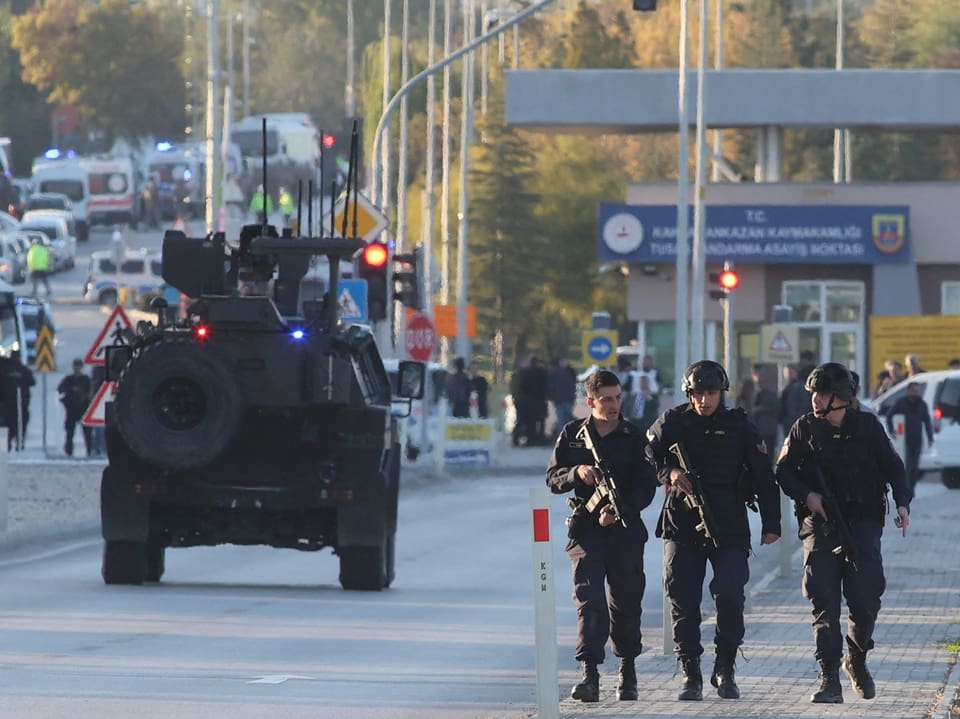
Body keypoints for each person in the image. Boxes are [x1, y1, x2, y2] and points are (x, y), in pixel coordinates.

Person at [644, 359, 781, 701]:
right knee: (683, 598)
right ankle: (691, 672)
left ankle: (726, 668)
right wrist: (671, 473)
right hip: (682, 524)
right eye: (698, 393)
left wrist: (772, 523)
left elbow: (763, 474)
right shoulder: (673, 422)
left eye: (711, 393)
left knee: (731, 595)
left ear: (723, 393)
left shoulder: (740, 425)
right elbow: (647, 453)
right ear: (689, 394)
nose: (705, 400)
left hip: (729, 524)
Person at [775, 362, 911, 704]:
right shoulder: (804, 429)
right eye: (814, 394)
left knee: (866, 599)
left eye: (822, 395)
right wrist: (808, 496)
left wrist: (903, 502)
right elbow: (784, 472)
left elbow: (894, 466)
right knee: (823, 600)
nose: (815, 401)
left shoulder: (868, 427)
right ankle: (829, 677)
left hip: (863, 523)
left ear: (841, 397)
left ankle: (857, 658)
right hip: (820, 526)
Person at [546, 369, 659, 703]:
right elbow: (552, 478)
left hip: (623, 530)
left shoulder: (634, 436)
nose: (614, 405)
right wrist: (576, 473)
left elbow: (647, 486)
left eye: (618, 398)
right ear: (590, 401)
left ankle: (627, 670)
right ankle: (590, 674)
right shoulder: (572, 434)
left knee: (625, 602)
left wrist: (622, 509)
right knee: (589, 600)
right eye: (606, 400)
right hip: (586, 531)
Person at [885, 381, 933, 495]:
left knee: (914, 467)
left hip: (917, 438)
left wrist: (930, 437)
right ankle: (906, 489)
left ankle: (911, 489)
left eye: (917, 391)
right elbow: (889, 416)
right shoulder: (901, 403)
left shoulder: (922, 404)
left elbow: (927, 421)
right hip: (904, 439)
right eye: (913, 390)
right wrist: (891, 430)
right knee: (907, 465)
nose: (916, 393)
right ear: (909, 391)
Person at [58, 358, 93, 457]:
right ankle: (69, 452)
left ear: (81, 367)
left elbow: (90, 392)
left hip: (83, 409)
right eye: (75, 366)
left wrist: (82, 394)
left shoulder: (86, 379)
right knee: (69, 433)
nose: (77, 368)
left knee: (87, 433)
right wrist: (70, 390)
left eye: (79, 366)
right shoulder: (69, 380)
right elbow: (60, 389)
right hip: (71, 410)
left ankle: (90, 451)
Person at [0, 354, 35, 451]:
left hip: (17, 405)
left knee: (12, 426)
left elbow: (32, 382)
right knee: (8, 427)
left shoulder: (9, 369)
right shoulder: (8, 369)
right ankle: (9, 446)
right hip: (9, 405)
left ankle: (13, 444)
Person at [749, 363, 780, 465]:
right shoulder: (748, 390)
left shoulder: (770, 393)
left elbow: (775, 409)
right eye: (758, 374)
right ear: (753, 374)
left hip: (766, 432)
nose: (761, 377)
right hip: (750, 431)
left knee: (767, 460)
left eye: (763, 374)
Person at [547, 358, 577, 430]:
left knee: (561, 418)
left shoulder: (553, 372)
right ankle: (569, 434)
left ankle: (561, 435)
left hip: (558, 399)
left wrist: (551, 397)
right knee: (568, 418)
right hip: (568, 398)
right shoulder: (569, 371)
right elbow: (574, 381)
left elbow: (550, 386)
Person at [779, 365, 808, 438]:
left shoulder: (800, 386)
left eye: (790, 372)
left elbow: (804, 404)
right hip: (787, 421)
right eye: (787, 373)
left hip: (795, 420)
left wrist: (798, 417)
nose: (788, 374)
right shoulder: (787, 387)